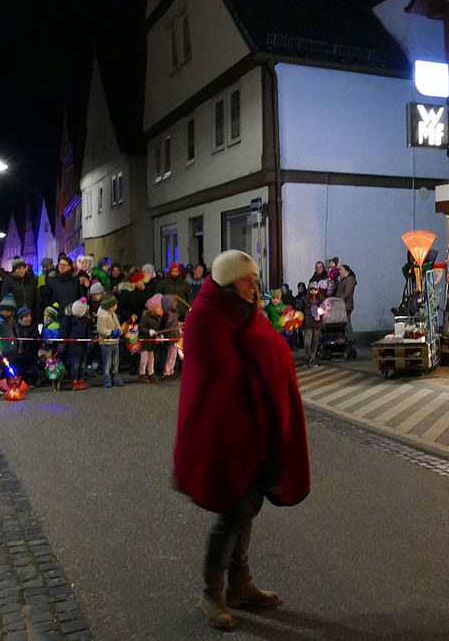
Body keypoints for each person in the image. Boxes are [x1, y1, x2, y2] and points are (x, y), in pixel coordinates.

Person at [173, 249, 310, 631]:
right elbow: (217, 374)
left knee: (248, 506)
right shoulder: (206, 316)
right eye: (248, 279)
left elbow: (266, 347)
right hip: (224, 431)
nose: (255, 286)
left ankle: (240, 584)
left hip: (255, 428)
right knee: (232, 511)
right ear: (229, 280)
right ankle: (211, 593)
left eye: (254, 279)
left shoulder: (248, 311)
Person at [0, 257, 40, 324]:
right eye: (19, 269)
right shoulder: (8, 282)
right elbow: (5, 299)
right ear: (14, 270)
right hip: (15, 317)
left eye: (23, 268)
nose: (22, 271)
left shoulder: (30, 281)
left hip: (30, 316)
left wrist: (36, 314)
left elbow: (36, 299)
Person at [96, 294, 123, 387]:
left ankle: (115, 377)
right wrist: (111, 332)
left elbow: (117, 325)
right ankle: (107, 379)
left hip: (115, 342)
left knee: (115, 362)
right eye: (115, 304)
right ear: (111, 306)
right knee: (107, 363)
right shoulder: (102, 316)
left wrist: (120, 331)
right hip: (106, 343)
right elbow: (100, 330)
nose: (116, 306)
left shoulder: (113, 314)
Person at [138, 294, 163, 383]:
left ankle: (151, 373)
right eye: (159, 308)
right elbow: (141, 328)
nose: (160, 310)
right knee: (144, 360)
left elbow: (158, 329)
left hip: (151, 343)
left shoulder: (157, 318)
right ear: (153, 309)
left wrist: (160, 335)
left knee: (151, 359)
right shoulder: (146, 318)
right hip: (145, 343)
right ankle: (142, 374)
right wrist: (149, 331)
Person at [13, 306, 40, 386]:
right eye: (26, 316)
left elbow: (36, 336)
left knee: (32, 368)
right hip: (21, 353)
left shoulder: (34, 326)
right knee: (21, 369)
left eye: (29, 316)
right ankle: (22, 382)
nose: (29, 318)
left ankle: (32, 382)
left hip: (32, 352)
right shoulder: (17, 327)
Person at [300, 281, 323, 367]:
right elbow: (300, 308)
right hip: (307, 323)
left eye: (315, 290)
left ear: (318, 291)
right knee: (307, 342)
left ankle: (313, 359)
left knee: (315, 342)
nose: (313, 292)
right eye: (312, 290)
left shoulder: (320, 300)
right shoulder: (304, 299)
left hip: (317, 324)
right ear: (309, 290)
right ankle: (307, 357)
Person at [335, 264, 357, 345]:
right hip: (341, 304)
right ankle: (345, 338)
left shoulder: (349, 279)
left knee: (347, 321)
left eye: (341, 269)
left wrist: (338, 299)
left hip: (345, 304)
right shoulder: (343, 279)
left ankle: (350, 338)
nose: (339, 271)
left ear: (346, 270)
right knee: (343, 321)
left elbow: (347, 292)